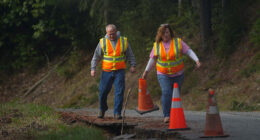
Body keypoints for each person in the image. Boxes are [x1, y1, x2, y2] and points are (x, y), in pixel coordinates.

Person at [142, 24, 201, 123]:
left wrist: (197, 60)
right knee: (166, 92)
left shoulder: (178, 42)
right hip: (163, 74)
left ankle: (175, 114)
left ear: (170, 33)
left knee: (175, 95)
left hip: (178, 74)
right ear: (160, 34)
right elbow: (152, 59)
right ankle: (167, 115)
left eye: (167, 32)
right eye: (163, 33)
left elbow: (189, 51)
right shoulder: (157, 45)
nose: (166, 34)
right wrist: (146, 71)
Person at [91, 24, 136, 120]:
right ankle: (102, 109)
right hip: (106, 72)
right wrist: (93, 68)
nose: (111, 36)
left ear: (116, 32)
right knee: (103, 92)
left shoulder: (123, 41)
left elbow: (130, 54)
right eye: (109, 34)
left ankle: (117, 113)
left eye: (113, 33)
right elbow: (96, 57)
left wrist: (132, 65)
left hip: (119, 71)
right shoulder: (103, 42)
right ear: (106, 33)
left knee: (119, 91)